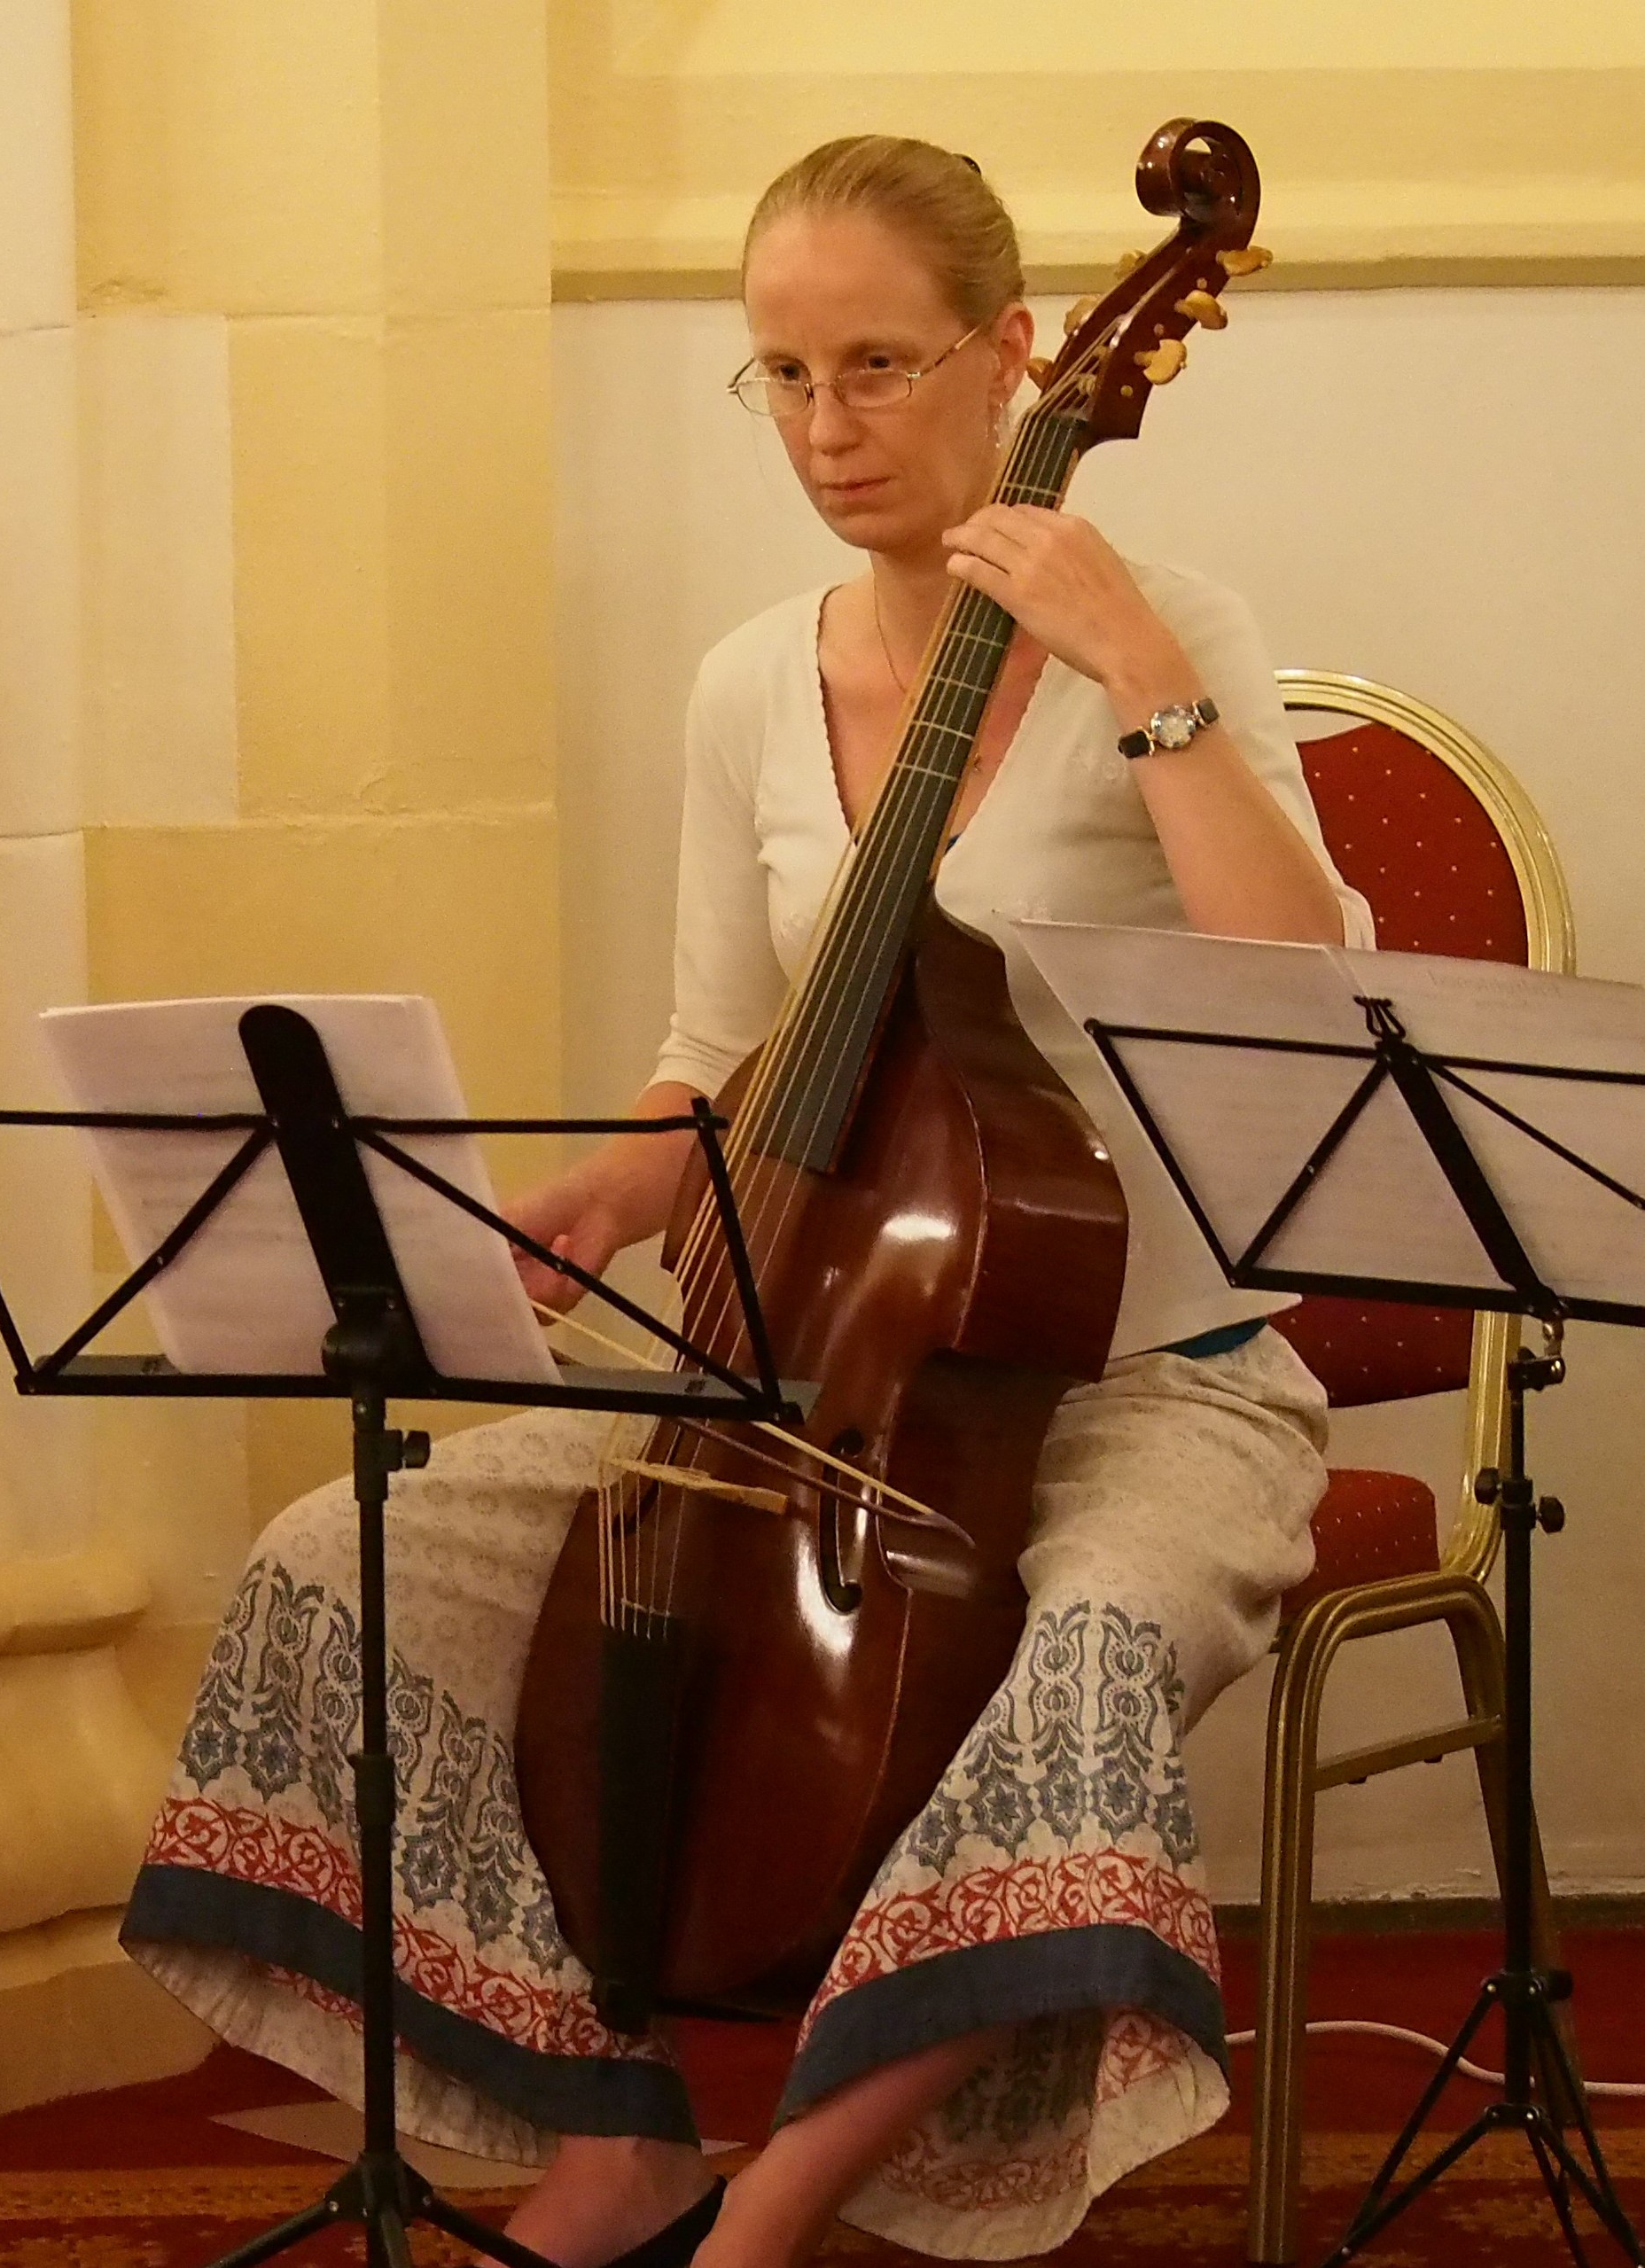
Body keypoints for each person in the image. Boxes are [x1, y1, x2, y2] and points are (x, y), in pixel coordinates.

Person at [121, 137, 1367, 2268]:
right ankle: (607, 2125)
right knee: (343, 1562)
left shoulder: (1165, 644)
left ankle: (767, 2210)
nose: (822, 425)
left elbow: (1308, 994)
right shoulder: (743, 680)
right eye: (778, 373)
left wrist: (1135, 667)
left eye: (874, 364)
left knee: (1081, 1649)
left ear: (1012, 353)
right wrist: (607, 1184)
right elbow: (716, 1042)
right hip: (798, 1357)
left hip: (1149, 1377)